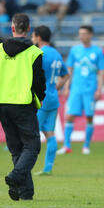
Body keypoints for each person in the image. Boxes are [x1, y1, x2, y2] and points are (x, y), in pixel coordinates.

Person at [0, 13, 46, 200]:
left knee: (17, 148)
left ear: (12, 28)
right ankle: (16, 176)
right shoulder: (34, 52)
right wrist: (38, 100)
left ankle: (25, 192)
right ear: (29, 28)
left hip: (0, 104)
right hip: (22, 103)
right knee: (32, 146)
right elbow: (39, 82)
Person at [57, 25, 104, 155]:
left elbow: (101, 71)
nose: (81, 36)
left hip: (90, 90)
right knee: (69, 116)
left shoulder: (97, 51)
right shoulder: (75, 50)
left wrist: (99, 89)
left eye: (84, 33)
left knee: (90, 117)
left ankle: (86, 146)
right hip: (76, 89)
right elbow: (69, 70)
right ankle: (67, 145)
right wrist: (67, 87)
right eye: (80, 33)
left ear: (90, 35)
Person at [31, 25, 70, 176]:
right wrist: (55, 86)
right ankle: (48, 168)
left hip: (40, 99)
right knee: (49, 133)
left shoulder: (39, 53)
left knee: (32, 133)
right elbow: (66, 75)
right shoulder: (56, 53)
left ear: (39, 38)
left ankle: (24, 166)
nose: (32, 39)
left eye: (33, 36)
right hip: (53, 98)